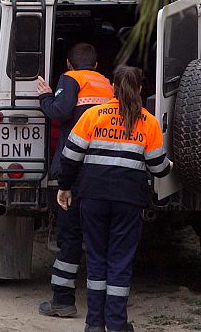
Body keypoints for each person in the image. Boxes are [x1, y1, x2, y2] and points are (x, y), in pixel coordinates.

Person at [57, 65, 172, 332]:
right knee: (120, 261)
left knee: (96, 259)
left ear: (112, 88)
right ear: (140, 89)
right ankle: (117, 324)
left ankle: (94, 324)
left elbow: (70, 156)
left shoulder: (93, 115)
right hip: (128, 201)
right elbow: (158, 167)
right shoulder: (148, 122)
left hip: (93, 197)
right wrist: (169, 167)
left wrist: (65, 187)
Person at [36, 42, 113, 317]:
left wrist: (45, 97)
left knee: (70, 236)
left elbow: (60, 111)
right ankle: (105, 305)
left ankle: (63, 301)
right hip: (102, 172)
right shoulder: (106, 84)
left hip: (75, 170)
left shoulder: (70, 79)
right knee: (99, 238)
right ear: (96, 65)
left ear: (68, 64)